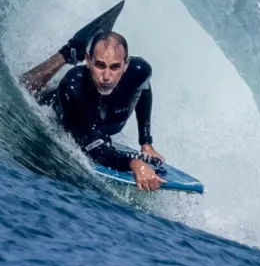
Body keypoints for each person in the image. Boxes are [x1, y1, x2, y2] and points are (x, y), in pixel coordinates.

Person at [21, 25, 165, 191]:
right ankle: (68, 53)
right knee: (25, 87)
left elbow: (144, 89)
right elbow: (94, 148)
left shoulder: (139, 72)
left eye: (115, 67)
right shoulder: (73, 87)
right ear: (88, 61)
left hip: (96, 125)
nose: (106, 76)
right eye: (100, 65)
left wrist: (146, 143)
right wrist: (133, 163)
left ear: (126, 64)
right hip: (53, 102)